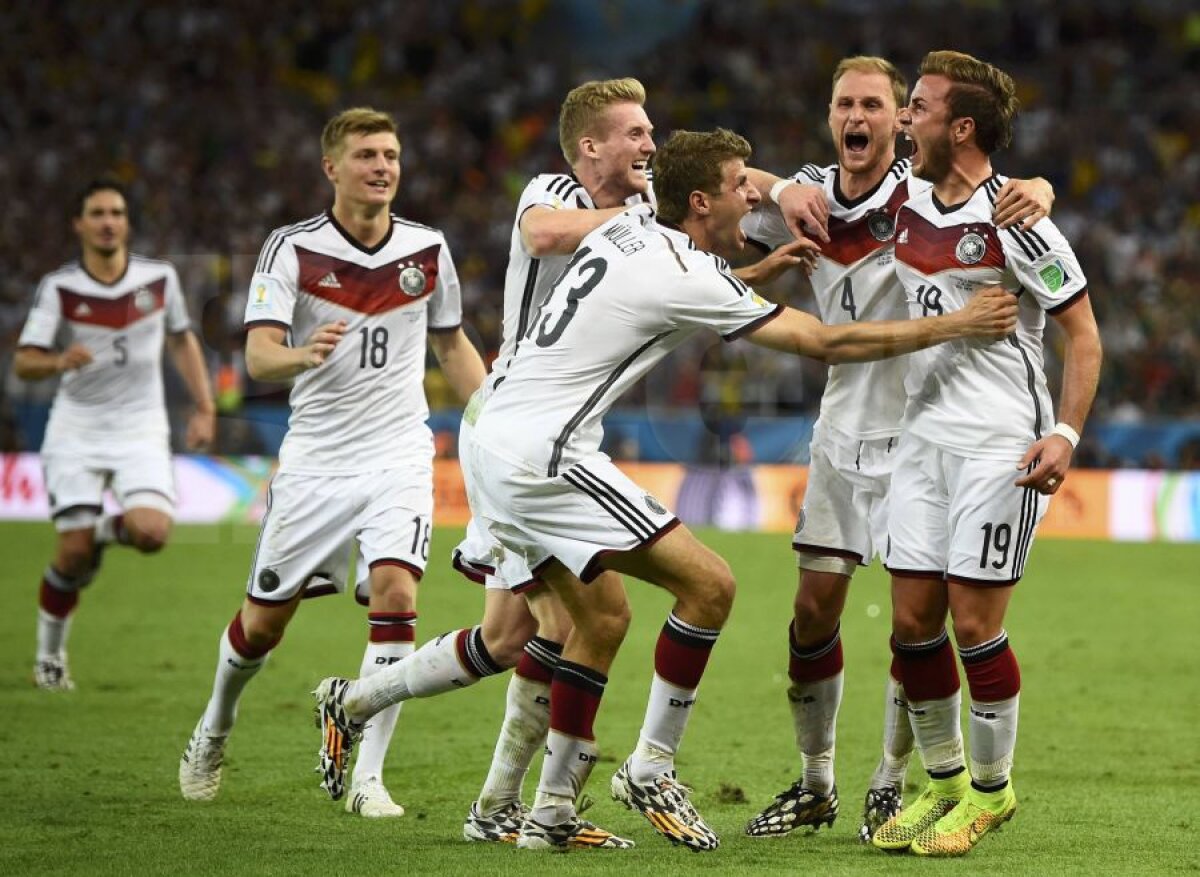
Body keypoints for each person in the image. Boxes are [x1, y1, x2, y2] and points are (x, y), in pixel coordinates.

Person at [319, 126, 1018, 852]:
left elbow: (676, 293)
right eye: (740, 185)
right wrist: (953, 323)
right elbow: (823, 341)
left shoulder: (631, 230)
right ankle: (649, 767)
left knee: (585, 622)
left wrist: (760, 267)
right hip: (545, 454)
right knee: (710, 586)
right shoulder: (680, 268)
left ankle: (527, 800)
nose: (752, 196)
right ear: (699, 200)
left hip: (495, 429)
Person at [310, 78, 824, 848]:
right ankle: (495, 783)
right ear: (591, 147)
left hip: (549, 433)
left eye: (654, 135)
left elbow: (673, 286)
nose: (651, 145)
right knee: (562, 626)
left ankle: (420, 748)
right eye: (637, 134)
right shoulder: (551, 191)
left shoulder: (649, 220)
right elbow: (547, 235)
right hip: (522, 428)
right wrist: (644, 216)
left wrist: (764, 230)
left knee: (525, 633)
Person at [737, 57, 1055, 842]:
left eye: (878, 104)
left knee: (919, 619)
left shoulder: (917, 189)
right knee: (813, 612)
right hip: (844, 427)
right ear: (832, 115)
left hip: (925, 425)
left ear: (899, 120)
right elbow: (721, 181)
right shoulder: (810, 194)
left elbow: (1001, 200)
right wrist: (777, 188)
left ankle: (895, 778)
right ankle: (817, 783)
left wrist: (1042, 186)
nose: (863, 115)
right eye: (844, 101)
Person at [177, 107, 487, 819]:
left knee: (398, 595)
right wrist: (301, 354)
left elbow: (451, 344)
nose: (383, 166)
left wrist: (494, 416)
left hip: (399, 453)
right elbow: (257, 354)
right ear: (332, 168)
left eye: (391, 155)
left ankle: (368, 778)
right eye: (367, 155)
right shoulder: (291, 249)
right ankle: (214, 726)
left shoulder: (428, 249)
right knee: (262, 625)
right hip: (317, 462)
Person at [867, 50, 1101, 857]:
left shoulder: (1018, 221)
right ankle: (943, 782)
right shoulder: (902, 193)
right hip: (921, 441)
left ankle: (993, 796)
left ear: (960, 126)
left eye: (919, 107)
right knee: (910, 624)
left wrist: (1064, 434)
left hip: (999, 448)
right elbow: (806, 182)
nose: (905, 118)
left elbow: (1083, 334)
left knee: (973, 622)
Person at [14, 179, 216, 692]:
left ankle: (100, 532)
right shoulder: (60, 288)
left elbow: (182, 340)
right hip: (76, 430)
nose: (108, 221)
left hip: (141, 428)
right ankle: (49, 656)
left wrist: (204, 405)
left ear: (126, 223)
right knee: (72, 554)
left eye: (117, 213)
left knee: (152, 533)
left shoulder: (159, 280)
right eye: (97, 213)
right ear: (79, 224)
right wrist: (59, 359)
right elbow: (24, 360)